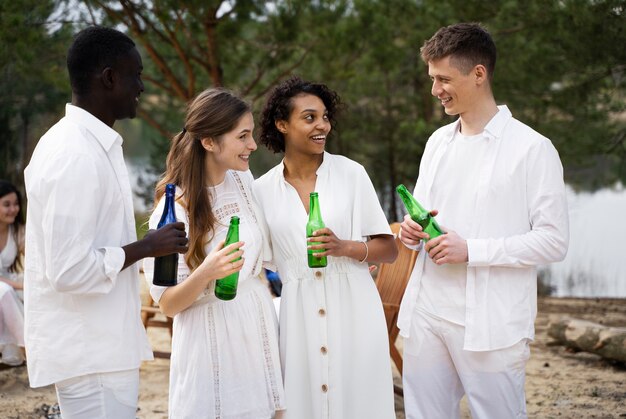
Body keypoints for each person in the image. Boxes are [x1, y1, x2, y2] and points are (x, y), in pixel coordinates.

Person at [397, 23, 569, 418]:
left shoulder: (533, 149)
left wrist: (470, 250)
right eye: (432, 79)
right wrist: (410, 232)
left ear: (479, 73)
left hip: (492, 324)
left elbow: (553, 241)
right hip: (426, 311)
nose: (435, 90)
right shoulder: (437, 142)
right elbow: (423, 215)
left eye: (443, 79)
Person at [23, 26, 188, 418]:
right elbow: (68, 270)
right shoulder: (74, 155)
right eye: (136, 75)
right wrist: (148, 247)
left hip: (101, 348)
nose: (142, 87)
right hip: (89, 355)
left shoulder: (89, 145)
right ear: (109, 77)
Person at [253, 76, 398, 419]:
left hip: (355, 309)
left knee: (360, 403)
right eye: (309, 118)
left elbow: (388, 249)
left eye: (325, 117)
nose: (322, 126)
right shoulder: (261, 191)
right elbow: (262, 262)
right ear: (282, 124)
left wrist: (345, 247)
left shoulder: (351, 174)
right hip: (297, 316)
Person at [143, 88, 285, 418]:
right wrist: (207, 272)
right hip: (208, 338)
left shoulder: (242, 180)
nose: (252, 145)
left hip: (255, 319)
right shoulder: (173, 213)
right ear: (209, 142)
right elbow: (167, 304)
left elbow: (269, 244)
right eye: (243, 136)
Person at [0, 180, 25, 366]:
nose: (13, 209)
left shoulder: (18, 231)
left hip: (9, 280)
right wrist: (21, 285)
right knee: (5, 291)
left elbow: (36, 259)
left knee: (34, 292)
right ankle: (28, 348)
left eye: (16, 204)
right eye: (6, 205)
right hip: (5, 286)